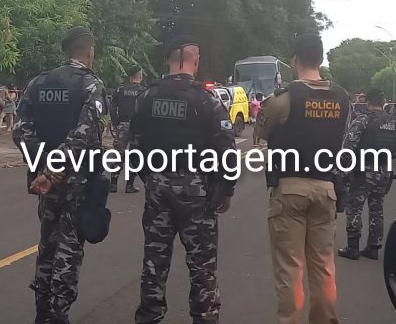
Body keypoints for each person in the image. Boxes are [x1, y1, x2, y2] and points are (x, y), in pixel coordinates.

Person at [130, 35, 237, 324]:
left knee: (154, 262)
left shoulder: (147, 97)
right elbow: (227, 150)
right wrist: (226, 189)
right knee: (202, 265)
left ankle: (149, 316)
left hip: (157, 188)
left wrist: (150, 178)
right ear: (195, 60)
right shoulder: (206, 99)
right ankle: (204, 318)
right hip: (197, 192)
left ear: (168, 59)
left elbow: (134, 146)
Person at [12, 27, 108, 324]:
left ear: (65, 51)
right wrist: (55, 169)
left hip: (44, 182)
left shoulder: (38, 83)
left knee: (47, 245)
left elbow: (20, 130)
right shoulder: (90, 84)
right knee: (69, 248)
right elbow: (84, 133)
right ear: (89, 51)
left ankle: (43, 313)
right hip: (76, 181)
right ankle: (57, 315)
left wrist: (43, 164)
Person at [255, 33, 351, 324]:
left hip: (290, 190)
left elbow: (261, 133)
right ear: (320, 59)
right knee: (324, 268)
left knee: (290, 270)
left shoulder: (283, 99)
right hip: (326, 190)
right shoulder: (343, 99)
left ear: (294, 61)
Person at [337, 88, 396, 260]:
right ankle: (373, 247)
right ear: (383, 103)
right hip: (383, 172)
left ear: (367, 102)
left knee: (355, 208)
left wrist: (343, 168)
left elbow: (348, 146)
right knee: (377, 209)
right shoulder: (394, 122)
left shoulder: (363, 120)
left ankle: (353, 247)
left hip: (363, 171)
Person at [109, 65, 146, 193]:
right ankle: (129, 185)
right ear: (140, 75)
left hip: (123, 124)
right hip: (138, 127)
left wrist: (115, 122)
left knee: (119, 154)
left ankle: (113, 184)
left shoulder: (120, 90)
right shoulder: (144, 91)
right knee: (135, 155)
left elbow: (112, 107)